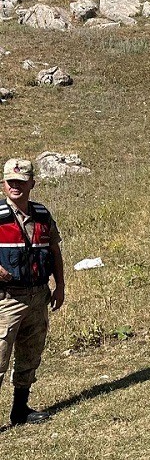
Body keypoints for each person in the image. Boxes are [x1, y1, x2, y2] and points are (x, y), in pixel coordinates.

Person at [0, 158, 65, 426]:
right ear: (4, 185)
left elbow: (54, 250)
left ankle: (20, 410)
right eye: (11, 182)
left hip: (39, 295)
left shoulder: (41, 213)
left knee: (30, 355)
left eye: (21, 182)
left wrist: (60, 285)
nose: (16, 186)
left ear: (31, 183)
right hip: (7, 299)